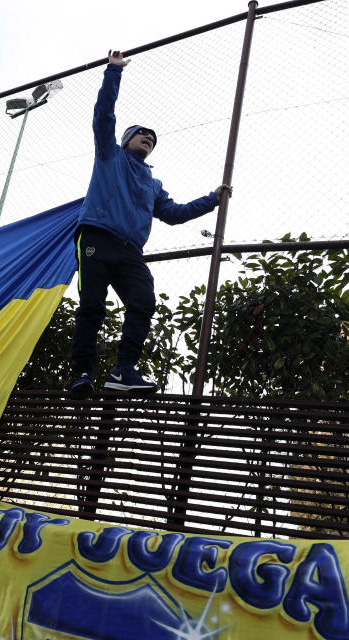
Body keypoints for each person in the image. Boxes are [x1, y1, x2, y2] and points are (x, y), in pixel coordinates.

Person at [70, 50, 231, 394]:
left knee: (143, 301)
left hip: (130, 250)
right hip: (97, 235)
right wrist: (113, 72)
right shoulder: (110, 156)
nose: (149, 139)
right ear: (127, 139)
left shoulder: (153, 184)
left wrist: (213, 199)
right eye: (143, 134)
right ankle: (82, 373)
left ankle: (122, 371)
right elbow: (103, 116)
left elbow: (174, 214)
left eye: (153, 139)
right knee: (92, 306)